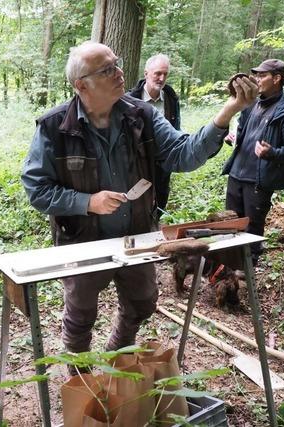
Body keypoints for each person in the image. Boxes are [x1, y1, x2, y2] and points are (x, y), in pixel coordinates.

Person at [21, 41, 257, 370]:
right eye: (107, 70)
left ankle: (116, 359)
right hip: (82, 241)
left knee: (142, 302)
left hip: (137, 237)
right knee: (80, 316)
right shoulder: (54, 126)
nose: (120, 73)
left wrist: (229, 110)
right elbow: (36, 188)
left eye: (117, 64)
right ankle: (80, 377)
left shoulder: (141, 115)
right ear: (81, 84)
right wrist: (87, 201)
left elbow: (183, 154)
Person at [222, 59, 284, 265]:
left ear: (276, 79)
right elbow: (242, 131)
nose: (257, 79)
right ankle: (229, 270)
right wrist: (233, 139)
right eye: (256, 75)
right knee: (230, 225)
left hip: (258, 180)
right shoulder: (251, 104)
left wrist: (271, 152)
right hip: (236, 174)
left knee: (252, 230)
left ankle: (247, 274)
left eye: (262, 75)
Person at [128, 54, 180, 220]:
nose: (161, 78)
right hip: (137, 165)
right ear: (146, 73)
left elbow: (175, 129)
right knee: (135, 205)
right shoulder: (130, 100)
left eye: (165, 74)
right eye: (157, 73)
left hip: (162, 165)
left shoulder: (171, 99)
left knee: (159, 204)